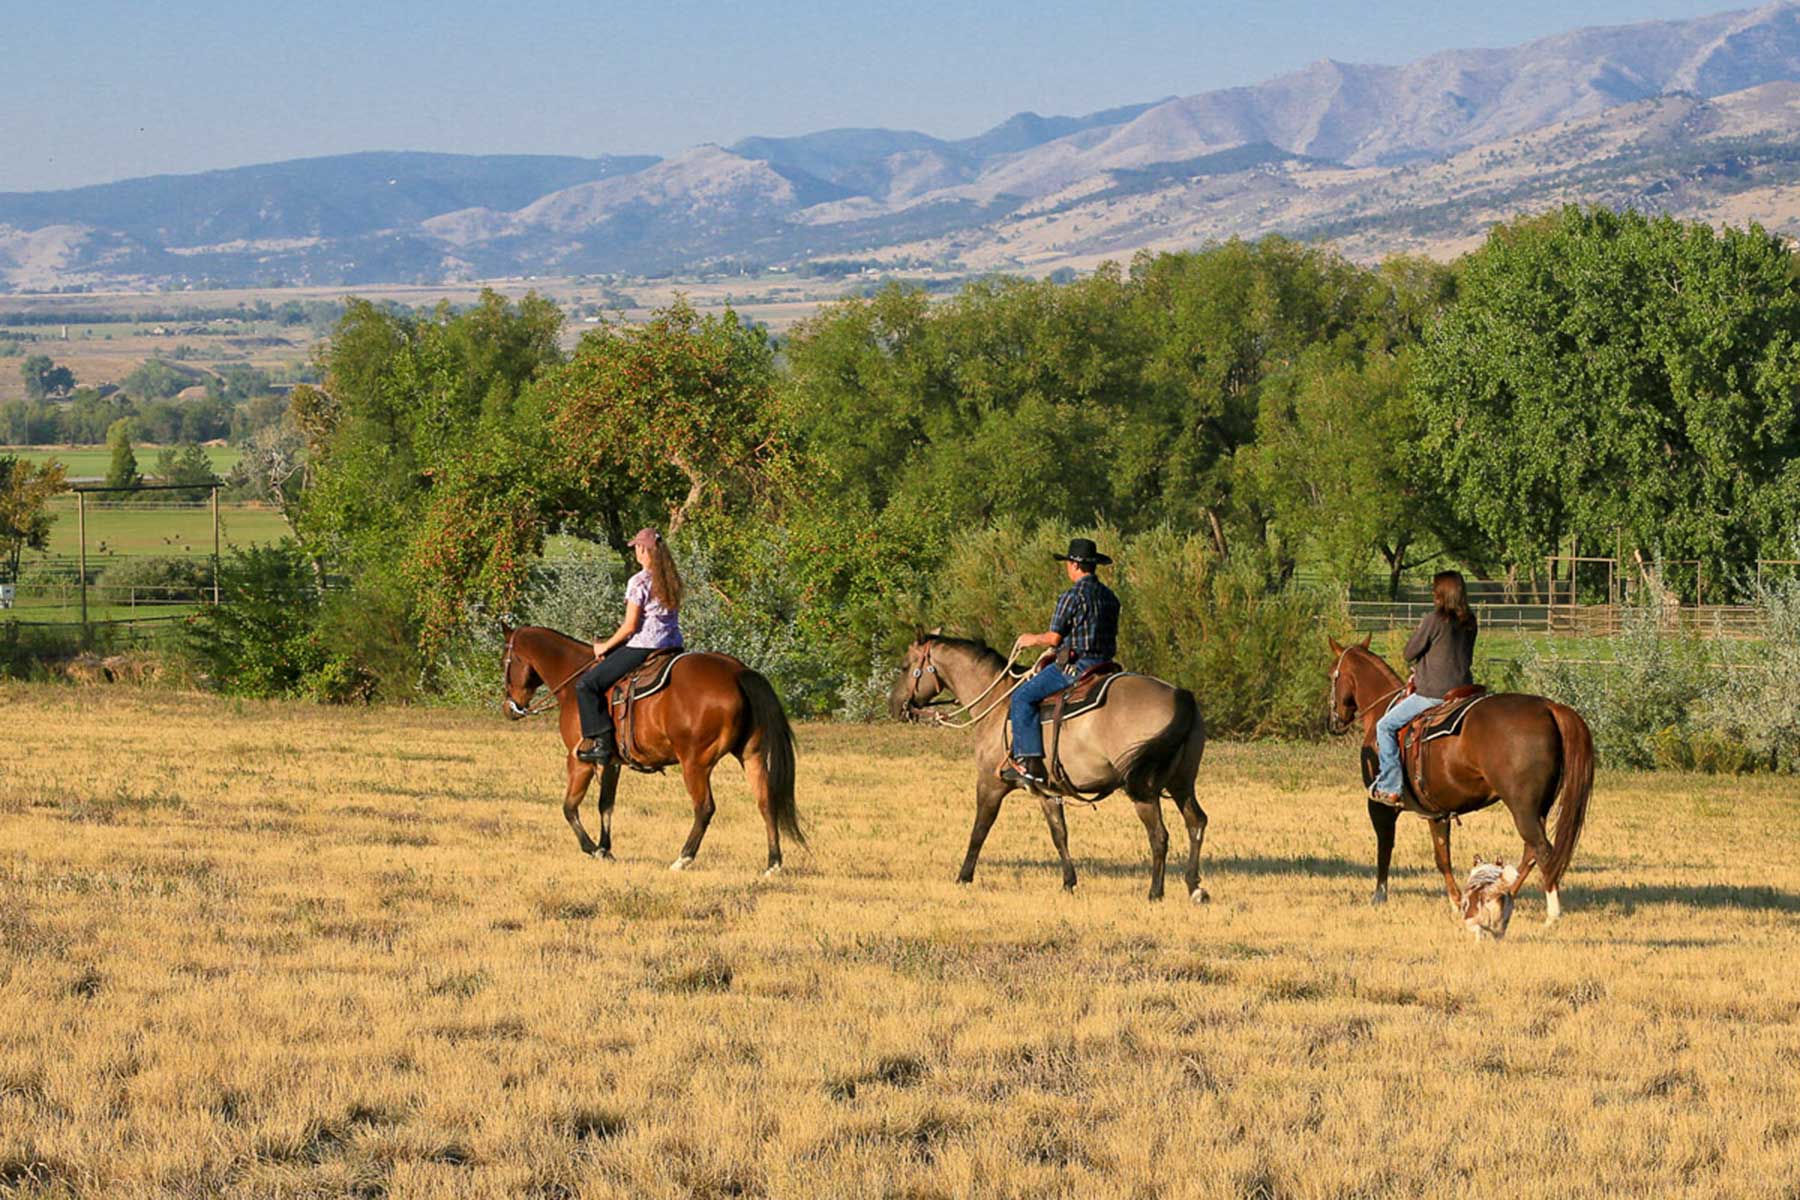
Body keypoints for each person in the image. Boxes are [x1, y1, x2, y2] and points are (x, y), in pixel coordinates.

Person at [1001, 537, 1121, 790]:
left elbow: (1054, 637)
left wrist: (1030, 639)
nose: (1067, 567)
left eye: (1068, 562)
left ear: (1076, 566)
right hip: (1105, 665)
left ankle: (1028, 764)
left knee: (1022, 697)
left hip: (1076, 668)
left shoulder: (1071, 596)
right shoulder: (1110, 597)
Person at [574, 528, 685, 765]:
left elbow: (630, 626)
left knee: (587, 684)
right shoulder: (671, 578)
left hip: (644, 646)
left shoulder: (639, 581)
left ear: (643, 549)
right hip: (673, 646)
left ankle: (602, 745)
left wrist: (603, 646)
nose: (635, 551)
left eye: (636, 546)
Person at [1371, 569, 1478, 803]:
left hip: (1434, 693)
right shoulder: (1470, 620)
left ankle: (1391, 786)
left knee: (1384, 726)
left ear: (1441, 593)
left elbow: (1409, 653)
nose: (1432, 593)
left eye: (1435, 589)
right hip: (1464, 691)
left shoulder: (1434, 620)